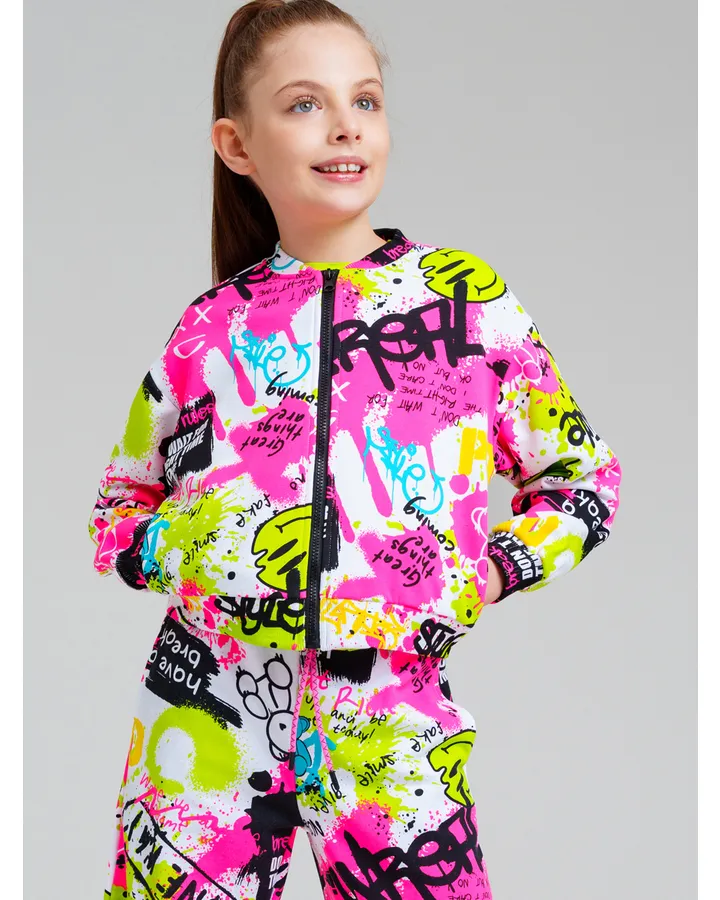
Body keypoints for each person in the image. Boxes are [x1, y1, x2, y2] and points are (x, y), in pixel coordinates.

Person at [88, 1, 623, 897]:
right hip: (208, 703)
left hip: (390, 713)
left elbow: (583, 480)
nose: (345, 126)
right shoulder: (208, 329)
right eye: (305, 104)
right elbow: (117, 511)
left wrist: (487, 573)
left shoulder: (465, 304)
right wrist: (191, 552)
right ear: (236, 145)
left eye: (364, 100)